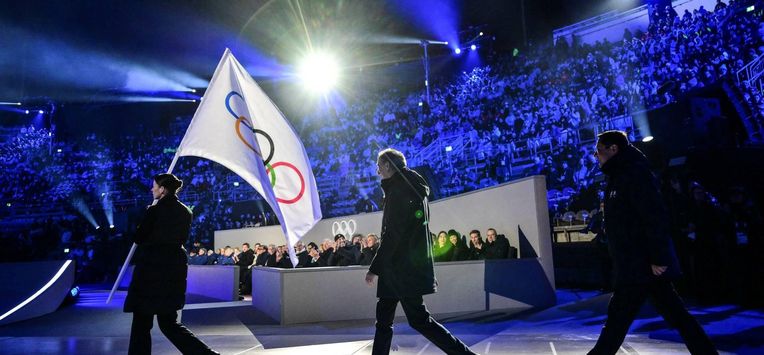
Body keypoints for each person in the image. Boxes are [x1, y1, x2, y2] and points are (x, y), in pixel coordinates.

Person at [587, 131, 716, 355]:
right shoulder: (620, 175)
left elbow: (653, 216)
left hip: (642, 264)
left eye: (598, 151)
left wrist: (659, 258)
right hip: (637, 264)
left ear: (613, 149)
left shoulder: (633, 174)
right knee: (676, 317)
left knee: (618, 321)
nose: (596, 156)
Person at [365, 148, 475, 355]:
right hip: (400, 269)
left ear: (388, 165)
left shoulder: (399, 191)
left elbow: (393, 234)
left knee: (416, 320)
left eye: (379, 165)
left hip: (400, 270)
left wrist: (374, 268)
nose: (377, 170)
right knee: (388, 320)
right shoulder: (411, 187)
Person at [123, 173, 218, 355]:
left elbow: (139, 237)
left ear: (163, 189)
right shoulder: (185, 211)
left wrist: (146, 215)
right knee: (169, 323)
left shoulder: (154, 211)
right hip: (172, 269)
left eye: (154, 186)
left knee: (141, 324)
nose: (152, 189)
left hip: (150, 272)